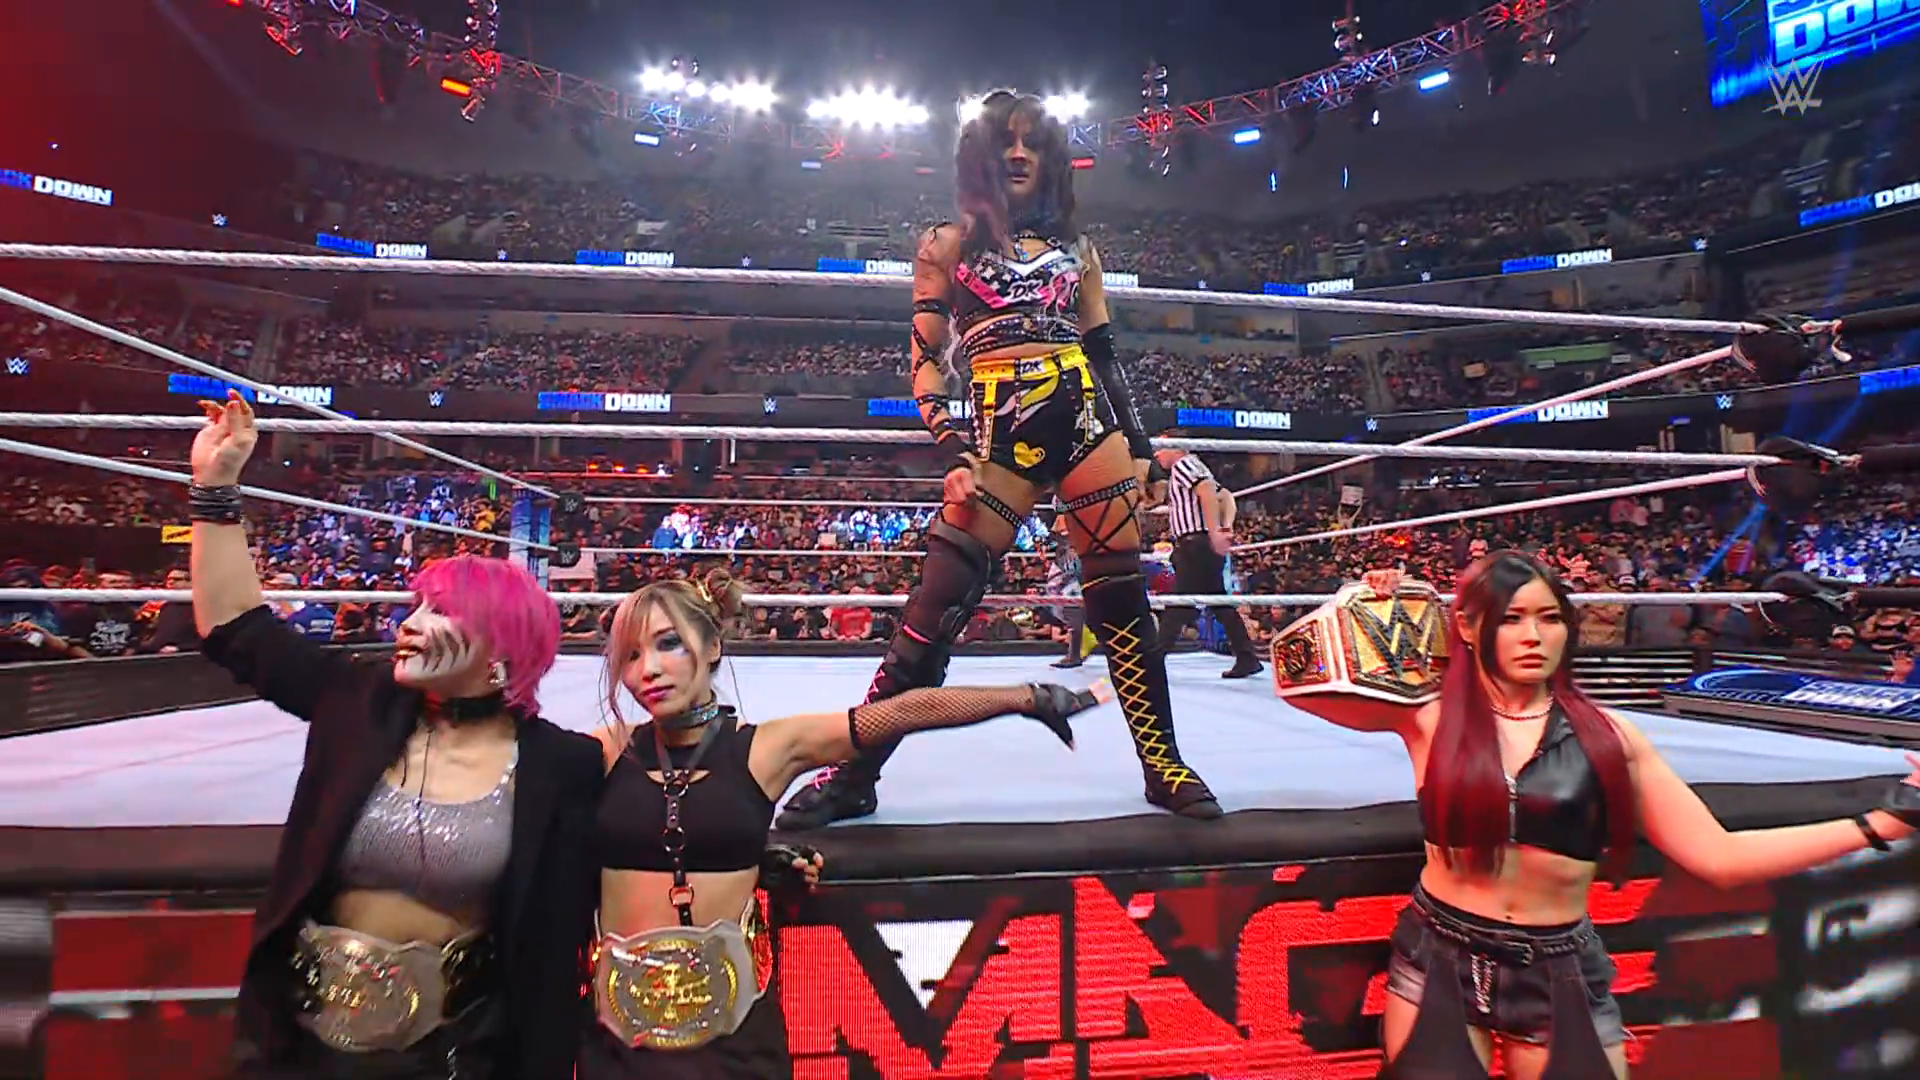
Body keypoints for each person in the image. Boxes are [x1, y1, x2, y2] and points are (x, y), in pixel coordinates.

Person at [1275, 550, 1920, 1080]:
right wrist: (1364, 606)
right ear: (1468, 628)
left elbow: (1720, 858)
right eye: (1511, 619)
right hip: (1438, 950)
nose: (1534, 636)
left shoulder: (1611, 737)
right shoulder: (1428, 716)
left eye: (1549, 618)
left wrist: (1885, 822)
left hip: (1555, 967)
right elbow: (1298, 683)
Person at [778, 90, 1220, 828]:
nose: (1018, 154)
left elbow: (1105, 356)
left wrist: (1142, 451)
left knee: (1121, 600)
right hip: (997, 433)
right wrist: (951, 448)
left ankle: (1164, 765)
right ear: (980, 157)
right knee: (935, 610)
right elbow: (925, 363)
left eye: (1031, 142)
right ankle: (855, 774)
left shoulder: (1080, 252)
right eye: (1005, 142)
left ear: (1050, 159)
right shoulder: (946, 245)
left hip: (1087, 423)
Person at [187, 392, 604, 1079]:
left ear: (500, 654)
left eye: (441, 612)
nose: (409, 623)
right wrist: (215, 486)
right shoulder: (359, 705)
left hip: (455, 1055)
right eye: (418, 606)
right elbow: (238, 629)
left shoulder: (560, 765)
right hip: (308, 1047)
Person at [581, 570, 1109, 1076]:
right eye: (630, 655)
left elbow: (904, 712)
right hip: (620, 1041)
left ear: (713, 646)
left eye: (668, 644)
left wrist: (1027, 698)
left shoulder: (764, 749)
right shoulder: (604, 752)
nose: (647, 669)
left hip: (732, 1040)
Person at [1151, 447, 1263, 679]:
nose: (1156, 455)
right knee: (1218, 603)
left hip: (1196, 545)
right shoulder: (1195, 465)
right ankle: (1247, 657)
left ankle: (1153, 661)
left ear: (1175, 447)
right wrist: (1225, 527)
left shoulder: (1183, 464)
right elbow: (1226, 496)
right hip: (1199, 546)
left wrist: (1215, 532)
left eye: (1160, 449)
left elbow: (1208, 490)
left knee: (1180, 604)